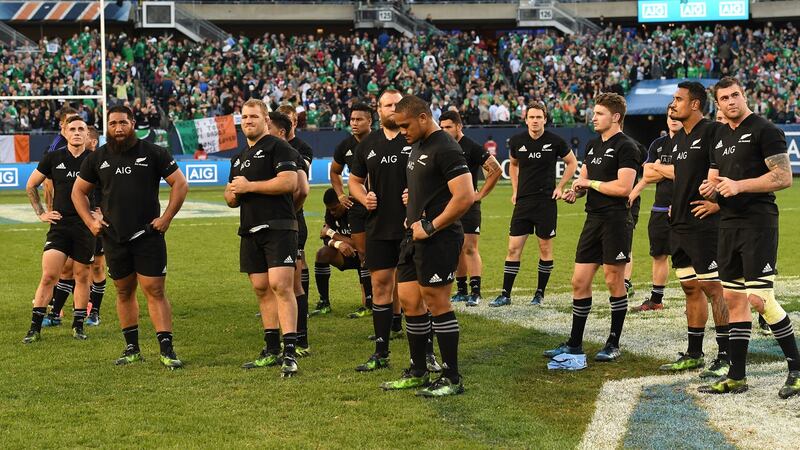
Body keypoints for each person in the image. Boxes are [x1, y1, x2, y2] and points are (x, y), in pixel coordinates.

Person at [698, 77, 800, 398]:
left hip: (759, 223)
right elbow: (715, 179)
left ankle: (796, 370)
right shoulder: (718, 136)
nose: (731, 101)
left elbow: (783, 177)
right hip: (728, 225)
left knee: (760, 300)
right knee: (734, 301)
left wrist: (740, 185)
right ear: (718, 104)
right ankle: (737, 377)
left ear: (744, 96)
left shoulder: (765, 129)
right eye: (724, 98)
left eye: (735, 95)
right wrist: (709, 189)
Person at [73, 105, 189, 369]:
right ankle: (132, 349)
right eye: (113, 124)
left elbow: (180, 184)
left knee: (155, 290)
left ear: (133, 123)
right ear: (107, 127)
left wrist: (166, 218)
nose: (118, 128)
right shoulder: (97, 157)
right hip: (114, 237)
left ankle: (166, 349)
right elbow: (77, 193)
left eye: (123, 123)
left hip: (148, 235)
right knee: (124, 291)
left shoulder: (153, 153)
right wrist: (90, 221)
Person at [381, 95, 474, 396]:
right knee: (409, 302)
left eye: (405, 125)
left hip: (439, 237)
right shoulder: (417, 145)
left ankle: (452, 377)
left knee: (436, 303)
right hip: (413, 236)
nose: (402, 131)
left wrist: (432, 225)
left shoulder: (446, 146)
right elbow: (431, 186)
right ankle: (419, 370)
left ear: (423, 118)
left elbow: (465, 196)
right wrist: (416, 198)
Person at [545, 93, 639, 363]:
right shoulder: (593, 144)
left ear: (615, 117)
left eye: (599, 113)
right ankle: (574, 343)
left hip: (617, 221)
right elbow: (584, 178)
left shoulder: (627, 147)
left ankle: (613, 342)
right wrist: (577, 190)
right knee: (579, 281)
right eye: (594, 113)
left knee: (613, 280)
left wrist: (590, 185)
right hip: (593, 220)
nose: (593, 117)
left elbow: (624, 188)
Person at [655, 81, 730, 380]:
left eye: (678, 99)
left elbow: (735, 169)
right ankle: (695, 353)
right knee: (690, 288)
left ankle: (725, 356)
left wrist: (719, 204)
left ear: (695, 104)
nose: (673, 105)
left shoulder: (714, 132)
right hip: (680, 225)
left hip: (705, 226)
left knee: (714, 288)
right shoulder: (677, 140)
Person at [224, 99, 301, 377]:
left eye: (254, 116)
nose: (248, 121)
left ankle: (290, 352)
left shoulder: (279, 147)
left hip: (278, 227)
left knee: (281, 285)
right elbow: (231, 195)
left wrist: (250, 186)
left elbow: (290, 183)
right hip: (250, 228)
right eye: (244, 117)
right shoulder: (239, 157)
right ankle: (270, 349)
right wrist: (232, 195)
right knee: (260, 288)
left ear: (266, 119)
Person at [348, 89, 413, 372]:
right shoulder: (368, 144)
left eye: (397, 105)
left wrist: (418, 194)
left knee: (414, 294)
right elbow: (354, 180)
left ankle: (424, 355)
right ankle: (381, 352)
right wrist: (363, 197)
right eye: (387, 105)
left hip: (410, 227)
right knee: (380, 287)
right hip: (378, 227)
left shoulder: (413, 138)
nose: (392, 109)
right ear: (378, 109)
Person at [491, 102, 578, 307]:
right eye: (532, 117)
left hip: (546, 202)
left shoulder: (555, 141)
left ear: (545, 119)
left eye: (539, 117)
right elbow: (513, 165)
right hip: (523, 202)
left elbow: (572, 163)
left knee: (545, 248)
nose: (535, 120)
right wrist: (515, 190)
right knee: (513, 248)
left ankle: (539, 293)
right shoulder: (517, 141)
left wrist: (561, 186)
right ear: (526, 119)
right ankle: (505, 294)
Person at [23, 117, 95, 343]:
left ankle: (78, 325)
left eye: (81, 129)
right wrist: (41, 213)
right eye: (72, 129)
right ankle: (34, 329)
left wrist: (101, 211)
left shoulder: (95, 160)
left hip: (85, 227)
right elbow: (31, 184)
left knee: (82, 277)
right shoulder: (53, 158)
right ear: (64, 132)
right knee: (49, 276)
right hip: (60, 226)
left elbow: (109, 188)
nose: (76, 132)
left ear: (87, 134)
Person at [317, 102, 374, 317]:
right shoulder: (345, 145)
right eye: (352, 120)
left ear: (370, 121)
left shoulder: (380, 141)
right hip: (360, 204)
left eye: (359, 119)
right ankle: (370, 302)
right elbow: (335, 172)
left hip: (382, 205)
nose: (354, 123)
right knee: (364, 252)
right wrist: (341, 194)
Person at [439, 110, 502, 307]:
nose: (444, 131)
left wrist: (479, 194)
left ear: (459, 126)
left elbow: (496, 169)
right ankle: (461, 291)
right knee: (456, 249)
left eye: (448, 127)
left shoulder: (471, 147)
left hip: (469, 206)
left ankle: (475, 292)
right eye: (441, 127)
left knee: (469, 248)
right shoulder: (441, 146)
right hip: (449, 205)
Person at [267, 111, 312, 356]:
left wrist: (289, 213)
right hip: (275, 225)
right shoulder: (266, 151)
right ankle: (283, 337)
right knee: (276, 284)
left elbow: (302, 190)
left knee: (292, 284)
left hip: (291, 224)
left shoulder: (295, 152)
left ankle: (300, 340)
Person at [629, 114, 682, 312]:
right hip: (659, 208)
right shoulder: (658, 144)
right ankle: (656, 300)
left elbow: (684, 172)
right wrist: (666, 170)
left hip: (685, 208)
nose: (674, 119)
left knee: (691, 258)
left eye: (677, 115)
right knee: (659, 255)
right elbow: (647, 174)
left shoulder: (690, 142)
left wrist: (658, 167)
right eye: (670, 116)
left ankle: (695, 300)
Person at [314, 189, 365, 311]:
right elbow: (324, 237)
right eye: (329, 209)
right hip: (347, 254)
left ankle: (368, 302)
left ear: (343, 201)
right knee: (322, 254)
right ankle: (324, 302)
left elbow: (359, 244)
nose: (332, 212)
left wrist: (332, 233)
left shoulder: (356, 208)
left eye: (335, 208)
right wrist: (338, 244)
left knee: (368, 302)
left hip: (365, 256)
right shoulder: (330, 212)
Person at [84, 125, 107, 326]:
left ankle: (94, 311)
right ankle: (58, 309)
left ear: (92, 141)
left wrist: (101, 210)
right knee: (71, 267)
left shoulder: (102, 161)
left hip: (97, 221)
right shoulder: (69, 159)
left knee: (97, 266)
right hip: (76, 221)